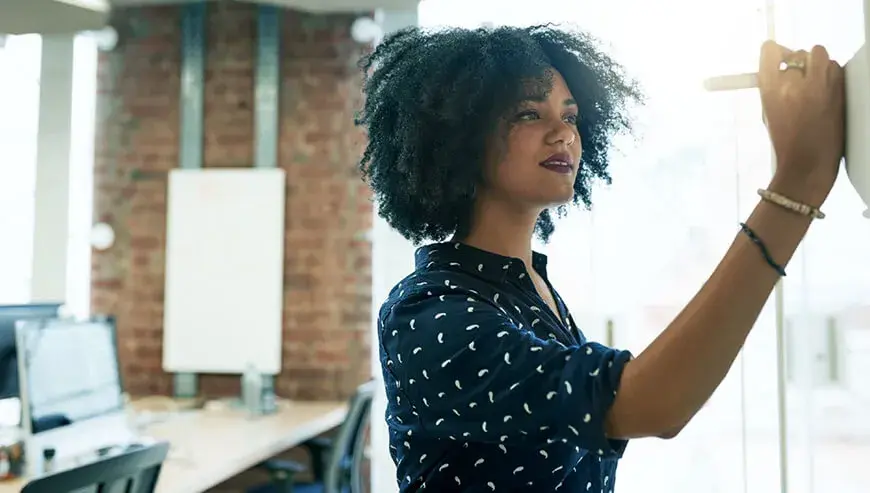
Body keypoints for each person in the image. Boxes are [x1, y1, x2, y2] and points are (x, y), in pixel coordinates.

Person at [356, 24, 845, 493]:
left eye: (569, 115)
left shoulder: (528, 285)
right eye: (529, 114)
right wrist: (795, 183)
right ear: (455, 137)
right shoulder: (429, 312)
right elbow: (650, 405)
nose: (563, 133)